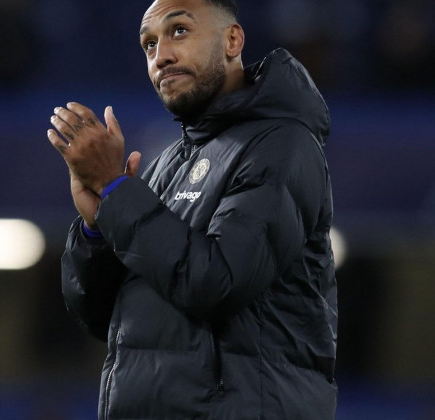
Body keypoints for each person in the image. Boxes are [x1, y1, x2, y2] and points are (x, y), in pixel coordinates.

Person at [46, 0, 337, 418]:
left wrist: (118, 191)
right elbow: (107, 321)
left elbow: (217, 283)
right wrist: (98, 225)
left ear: (232, 40)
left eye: (178, 31)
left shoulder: (283, 145)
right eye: (148, 45)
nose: (160, 55)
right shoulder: (167, 165)